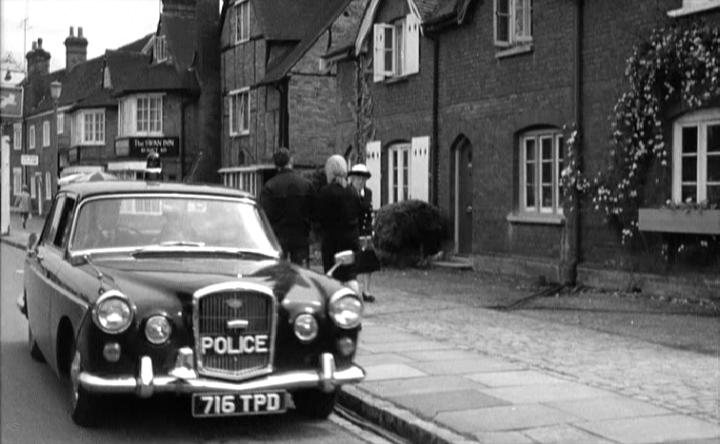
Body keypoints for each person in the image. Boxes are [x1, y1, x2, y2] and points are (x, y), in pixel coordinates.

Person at [313, 155, 365, 297]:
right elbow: (359, 213)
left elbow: (318, 217)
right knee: (350, 275)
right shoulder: (352, 191)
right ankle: (354, 301)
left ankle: (336, 303)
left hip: (332, 241)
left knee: (332, 275)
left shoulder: (326, 192)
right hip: (351, 239)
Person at [259, 147, 314, 266]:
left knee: (278, 272)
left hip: (278, 237)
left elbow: (265, 215)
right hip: (300, 236)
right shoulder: (306, 185)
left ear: (276, 164)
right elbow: (313, 210)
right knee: (300, 274)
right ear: (291, 161)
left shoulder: (269, 187)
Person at [348, 163, 377, 302]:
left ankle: (367, 290)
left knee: (368, 261)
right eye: (358, 178)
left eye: (363, 179)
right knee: (353, 261)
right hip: (353, 230)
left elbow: (367, 209)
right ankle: (353, 290)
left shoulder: (368, 192)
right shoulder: (348, 193)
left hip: (365, 230)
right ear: (352, 179)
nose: (360, 181)